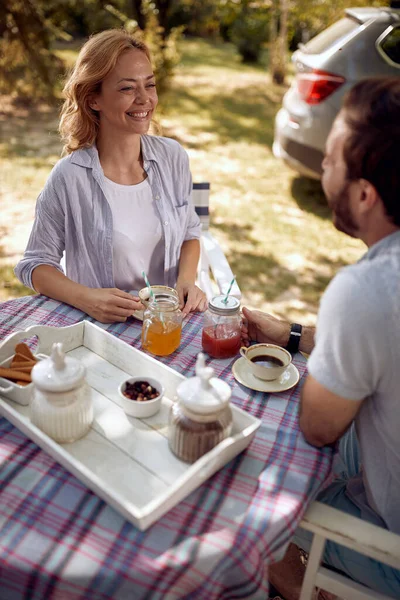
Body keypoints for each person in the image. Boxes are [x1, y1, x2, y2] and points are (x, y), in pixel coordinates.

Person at [242, 77, 400, 600]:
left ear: (363, 193)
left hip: (390, 543)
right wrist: (290, 334)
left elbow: (319, 427)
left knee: (242, 497)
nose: (322, 167)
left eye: (329, 158)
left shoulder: (369, 289)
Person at [15, 29, 207, 324]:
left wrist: (186, 280)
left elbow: (191, 233)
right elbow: (35, 265)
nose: (145, 100)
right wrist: (87, 298)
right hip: (102, 332)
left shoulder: (173, 156)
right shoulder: (69, 177)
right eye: (127, 89)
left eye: (150, 84)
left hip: (169, 326)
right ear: (94, 100)